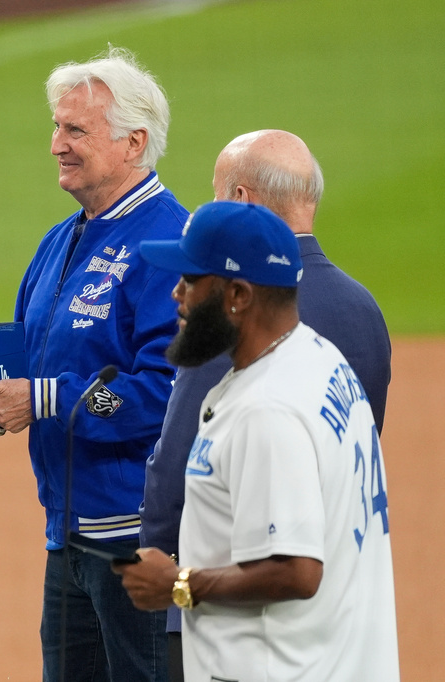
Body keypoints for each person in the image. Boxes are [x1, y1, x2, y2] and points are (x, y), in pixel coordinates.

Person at [138, 129, 392, 681]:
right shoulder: (323, 356)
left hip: (275, 657)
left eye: (189, 281)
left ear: (237, 296)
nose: (176, 297)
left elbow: (295, 571)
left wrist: (174, 583)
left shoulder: (263, 405)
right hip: (341, 643)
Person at [0, 47, 185, 681]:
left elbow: (166, 393)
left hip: (136, 537)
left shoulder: (168, 243)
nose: (56, 145)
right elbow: (28, 353)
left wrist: (43, 399)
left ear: (134, 143)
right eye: (57, 127)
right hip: (67, 533)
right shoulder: (61, 239)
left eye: (76, 130)